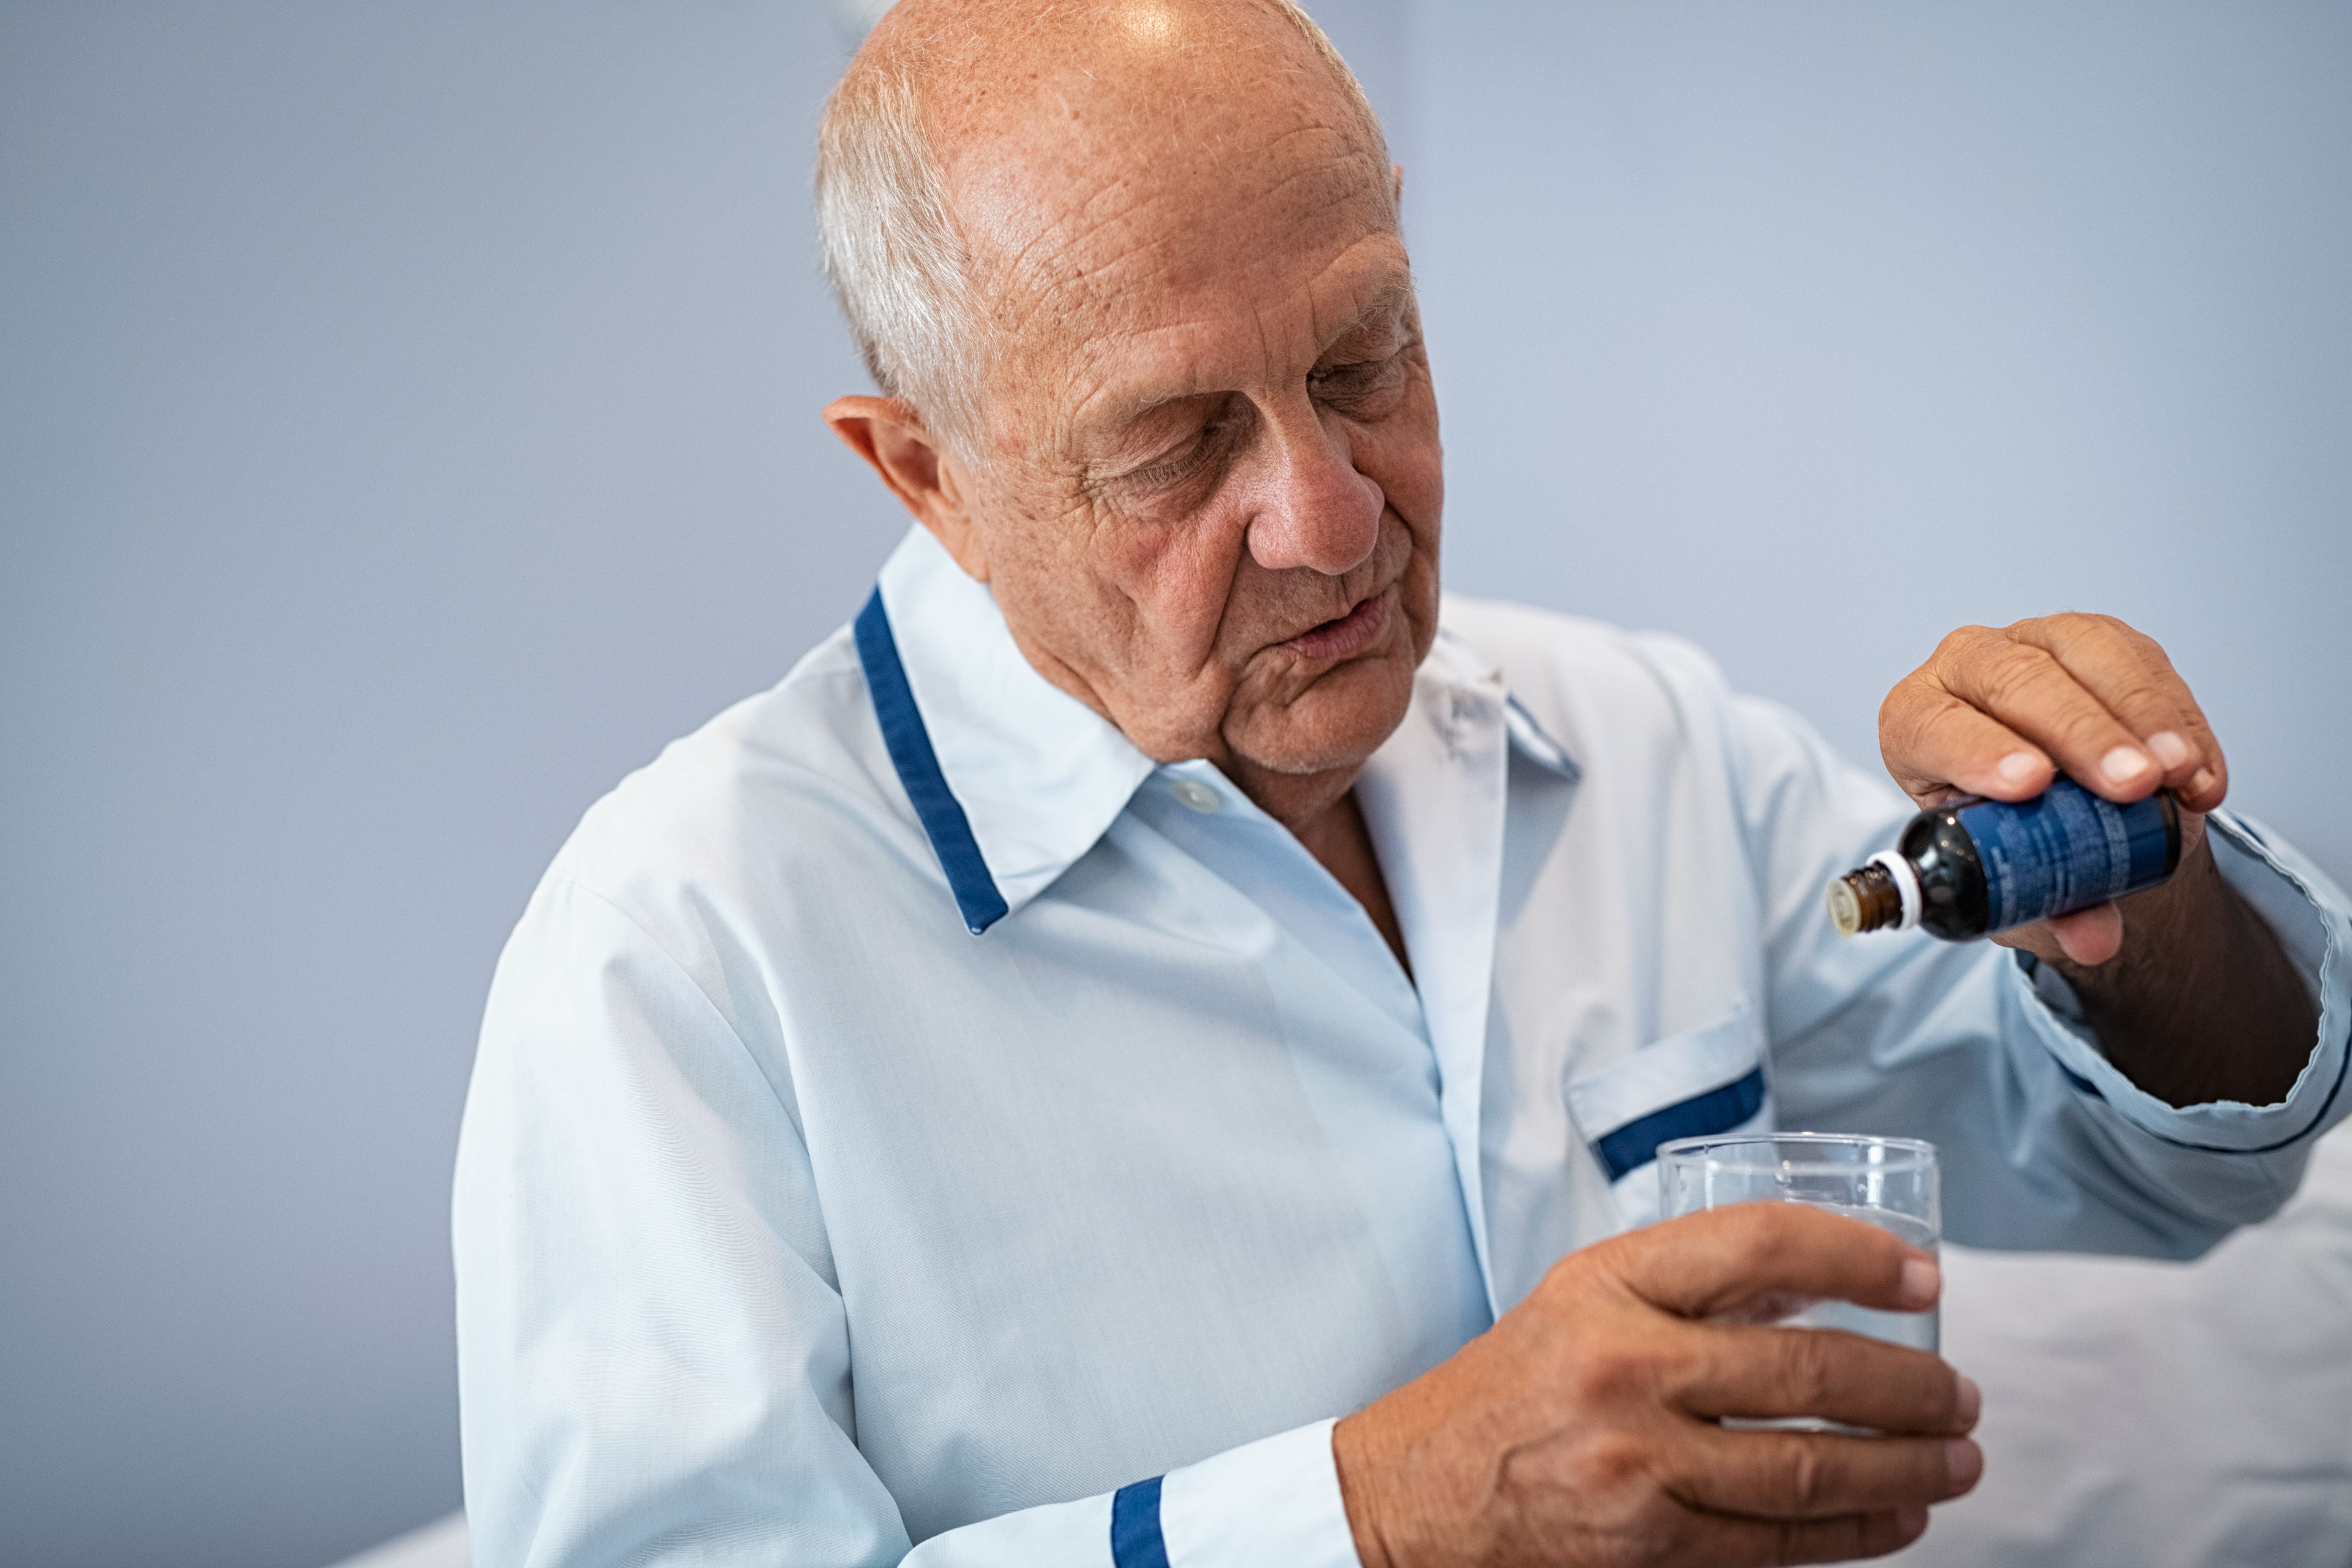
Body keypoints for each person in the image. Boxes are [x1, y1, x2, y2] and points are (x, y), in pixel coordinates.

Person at [450, 2, 2349, 1565]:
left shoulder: (1634, 739)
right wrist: (1378, 1514)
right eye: (1177, 444)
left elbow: (2173, 1169)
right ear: (922, 474)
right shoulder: (682, 957)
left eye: (1365, 359)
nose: (1332, 516)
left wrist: (2143, 896)